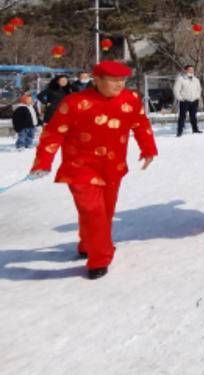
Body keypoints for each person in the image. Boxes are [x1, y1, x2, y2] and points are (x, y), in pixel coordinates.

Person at [26, 61, 157, 279]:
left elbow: (141, 124)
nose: (119, 85)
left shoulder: (131, 99)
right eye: (113, 80)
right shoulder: (75, 102)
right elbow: (54, 133)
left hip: (113, 166)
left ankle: (88, 244)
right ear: (96, 80)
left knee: (105, 212)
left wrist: (148, 148)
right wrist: (43, 162)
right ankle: (100, 258)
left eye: (122, 80)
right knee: (92, 210)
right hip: (80, 167)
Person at [173, 64, 202, 136]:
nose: (191, 71)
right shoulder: (181, 79)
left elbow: (199, 89)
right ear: (185, 70)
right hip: (184, 100)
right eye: (189, 70)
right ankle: (180, 131)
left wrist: (198, 96)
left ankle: (195, 129)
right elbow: (176, 90)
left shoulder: (196, 79)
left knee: (193, 116)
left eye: (192, 70)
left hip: (194, 100)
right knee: (182, 116)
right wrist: (180, 98)